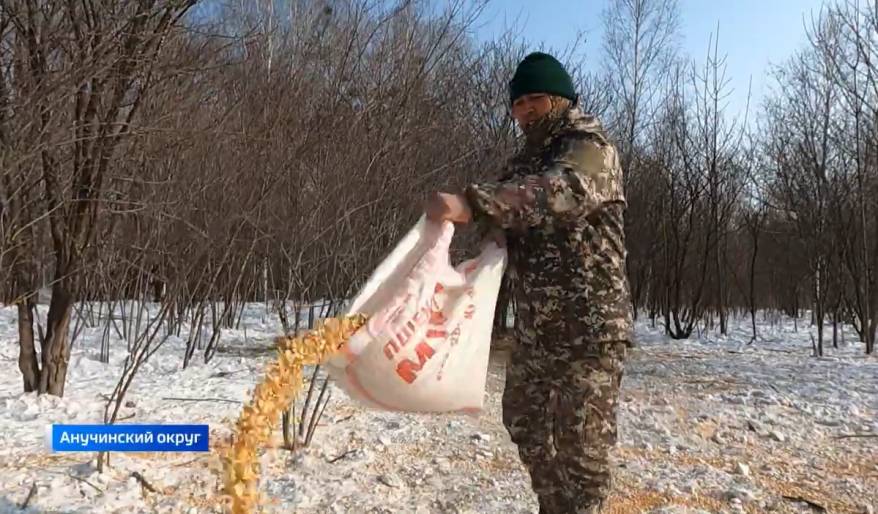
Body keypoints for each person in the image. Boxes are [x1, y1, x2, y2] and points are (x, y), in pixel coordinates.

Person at [424, 52, 633, 514]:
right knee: (524, 420)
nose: (523, 111)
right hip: (538, 330)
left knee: (582, 447)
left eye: (534, 99)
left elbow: (557, 191)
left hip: (590, 328)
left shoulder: (590, 147)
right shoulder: (523, 162)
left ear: (560, 98)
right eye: (517, 104)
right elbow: (502, 224)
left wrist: (473, 203)